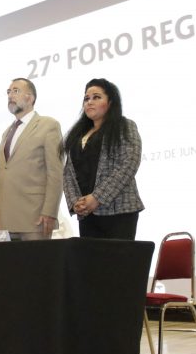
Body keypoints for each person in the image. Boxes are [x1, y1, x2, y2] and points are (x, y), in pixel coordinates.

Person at [62, 78, 144, 240]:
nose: (89, 102)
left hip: (119, 211)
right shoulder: (78, 135)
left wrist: (97, 198)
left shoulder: (125, 126)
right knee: (90, 265)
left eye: (96, 97)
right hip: (87, 214)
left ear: (111, 102)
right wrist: (75, 202)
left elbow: (129, 163)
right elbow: (68, 173)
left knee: (117, 264)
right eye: (86, 98)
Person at [0, 78, 63, 239]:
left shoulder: (48, 125)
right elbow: (3, 175)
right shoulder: (7, 132)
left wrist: (50, 212)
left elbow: (56, 172)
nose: (11, 95)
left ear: (30, 97)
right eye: (9, 92)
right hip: (6, 220)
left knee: (36, 264)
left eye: (16, 91)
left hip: (35, 218)